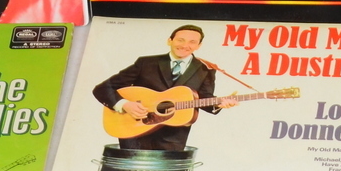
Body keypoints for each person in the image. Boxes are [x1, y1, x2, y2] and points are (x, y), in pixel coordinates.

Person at [91, 25, 238, 152]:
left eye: (192, 42)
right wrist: (125, 105)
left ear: (199, 46)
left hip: (173, 137)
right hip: (135, 129)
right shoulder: (146, 63)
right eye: (180, 40)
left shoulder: (206, 69)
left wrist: (219, 104)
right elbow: (103, 88)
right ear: (170, 40)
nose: (185, 45)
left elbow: (203, 98)